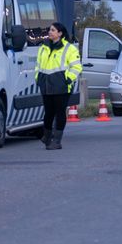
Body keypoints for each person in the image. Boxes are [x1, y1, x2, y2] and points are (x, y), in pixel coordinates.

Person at [36, 21, 82, 149]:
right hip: (46, 85)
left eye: (53, 30)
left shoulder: (69, 48)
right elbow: (38, 65)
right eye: (49, 30)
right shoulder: (43, 47)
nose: (50, 32)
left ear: (60, 33)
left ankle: (57, 141)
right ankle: (47, 136)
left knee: (60, 113)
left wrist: (68, 79)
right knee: (48, 113)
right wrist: (38, 78)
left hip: (61, 87)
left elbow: (76, 67)